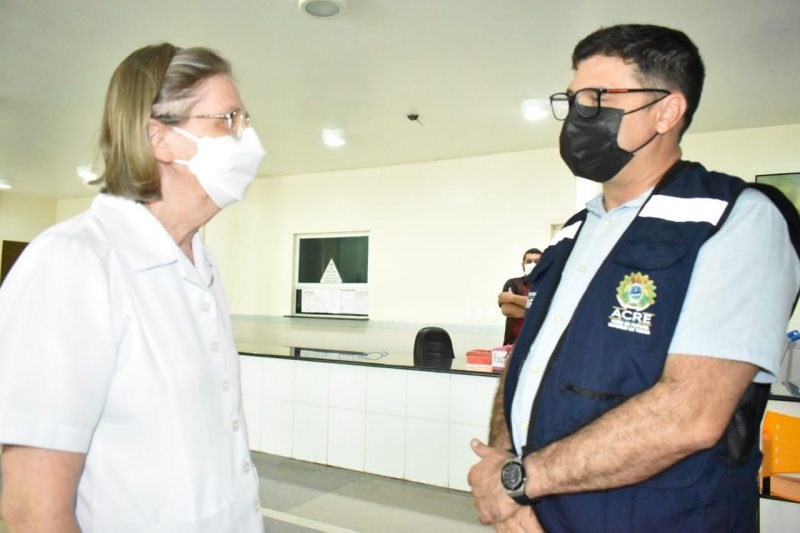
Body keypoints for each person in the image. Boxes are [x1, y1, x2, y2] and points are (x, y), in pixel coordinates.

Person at [468, 24, 800, 532]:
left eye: (598, 97)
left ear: (667, 111)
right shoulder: (574, 232)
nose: (579, 114)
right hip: (538, 514)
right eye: (573, 99)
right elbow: (525, 360)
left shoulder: (735, 218)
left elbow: (689, 414)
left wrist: (517, 480)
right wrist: (504, 465)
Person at [0, 43, 266, 532]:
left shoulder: (201, 263)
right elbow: (32, 511)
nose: (248, 138)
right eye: (228, 120)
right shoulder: (74, 263)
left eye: (245, 120)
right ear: (159, 138)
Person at [498, 248, 542, 345]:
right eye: (529, 261)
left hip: (541, 342)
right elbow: (508, 310)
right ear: (523, 265)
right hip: (514, 342)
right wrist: (541, 312)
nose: (533, 264)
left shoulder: (550, 285)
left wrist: (513, 298)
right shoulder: (512, 283)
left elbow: (543, 303)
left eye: (537, 262)